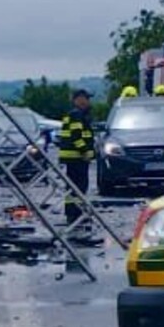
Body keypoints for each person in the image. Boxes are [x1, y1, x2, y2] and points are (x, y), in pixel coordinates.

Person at [59, 89, 96, 227]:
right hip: (77, 157)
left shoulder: (75, 114)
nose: (87, 102)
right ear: (78, 100)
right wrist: (85, 151)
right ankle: (76, 214)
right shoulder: (77, 115)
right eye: (85, 99)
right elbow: (77, 136)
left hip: (73, 157)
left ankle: (73, 213)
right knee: (79, 187)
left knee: (74, 187)